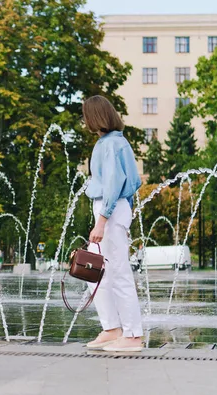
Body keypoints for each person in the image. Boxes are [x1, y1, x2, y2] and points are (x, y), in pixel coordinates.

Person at [83, 95, 143, 353]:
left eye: (86, 115)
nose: (84, 120)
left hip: (110, 210)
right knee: (92, 272)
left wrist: (102, 220)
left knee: (118, 273)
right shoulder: (111, 142)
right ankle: (112, 328)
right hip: (112, 209)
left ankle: (132, 335)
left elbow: (114, 184)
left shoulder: (111, 145)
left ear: (95, 116)